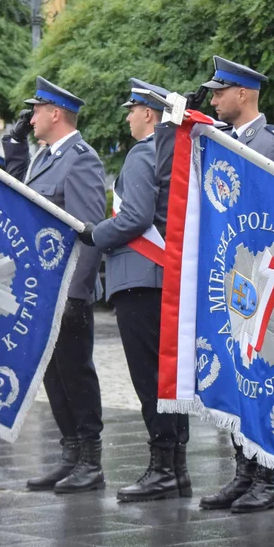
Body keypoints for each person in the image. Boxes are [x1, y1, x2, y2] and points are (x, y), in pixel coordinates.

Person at [79, 78, 190, 502]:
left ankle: (165, 468)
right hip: (153, 280)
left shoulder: (144, 156)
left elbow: (136, 217)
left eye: (132, 110)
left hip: (142, 279)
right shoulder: (160, 154)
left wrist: (95, 234)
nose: (127, 117)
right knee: (164, 380)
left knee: (152, 380)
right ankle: (173, 469)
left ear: (149, 114)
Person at [195, 56, 274, 514]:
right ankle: (243, 471)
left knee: (260, 375)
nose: (214, 99)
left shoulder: (273, 145)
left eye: (220, 92)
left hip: (262, 277)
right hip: (232, 275)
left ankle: (265, 478)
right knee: (237, 374)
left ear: (244, 94)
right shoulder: (219, 143)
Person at [3, 77, 107, 494]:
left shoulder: (80, 159)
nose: (30, 118)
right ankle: (70, 454)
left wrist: (75, 292)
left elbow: (88, 231)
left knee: (75, 372)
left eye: (36, 110)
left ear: (56, 114)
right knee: (53, 373)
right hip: (43, 288)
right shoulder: (42, 158)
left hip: (67, 290)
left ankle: (91, 460)